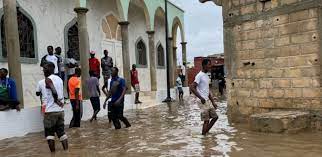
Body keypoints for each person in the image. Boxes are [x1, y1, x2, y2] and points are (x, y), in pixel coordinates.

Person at [36, 62, 68, 152]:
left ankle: (53, 154)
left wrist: (55, 100)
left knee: (49, 134)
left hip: (50, 111)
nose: (43, 70)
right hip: (60, 111)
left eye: (45, 68)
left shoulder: (47, 80)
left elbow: (54, 91)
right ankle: (66, 152)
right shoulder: (59, 79)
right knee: (61, 133)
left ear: (50, 69)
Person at [190, 59, 218, 135]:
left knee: (215, 117)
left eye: (210, 64)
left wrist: (213, 102)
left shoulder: (206, 76)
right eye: (208, 65)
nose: (210, 66)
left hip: (207, 100)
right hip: (202, 101)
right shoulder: (199, 75)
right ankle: (204, 137)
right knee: (206, 120)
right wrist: (200, 98)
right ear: (204, 65)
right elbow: (192, 87)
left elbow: (207, 91)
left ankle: (204, 133)